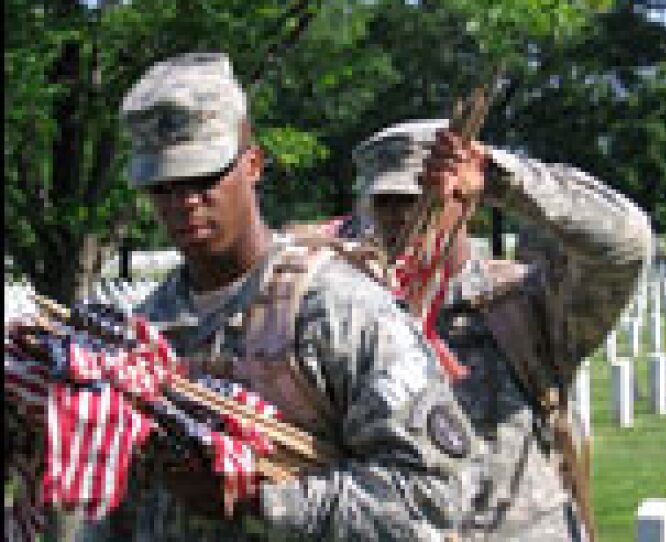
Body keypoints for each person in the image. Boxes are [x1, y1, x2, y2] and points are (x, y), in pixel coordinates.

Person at [82, 52, 477, 542]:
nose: (183, 202)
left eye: (204, 178)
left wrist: (258, 499)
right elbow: (119, 512)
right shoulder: (144, 334)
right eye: (163, 186)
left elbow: (434, 500)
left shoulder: (339, 312)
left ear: (253, 164)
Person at [348, 119, 654, 541]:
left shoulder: (520, 303)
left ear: (467, 201)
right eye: (387, 201)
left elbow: (626, 244)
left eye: (423, 197)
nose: (404, 216)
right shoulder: (347, 319)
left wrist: (500, 178)